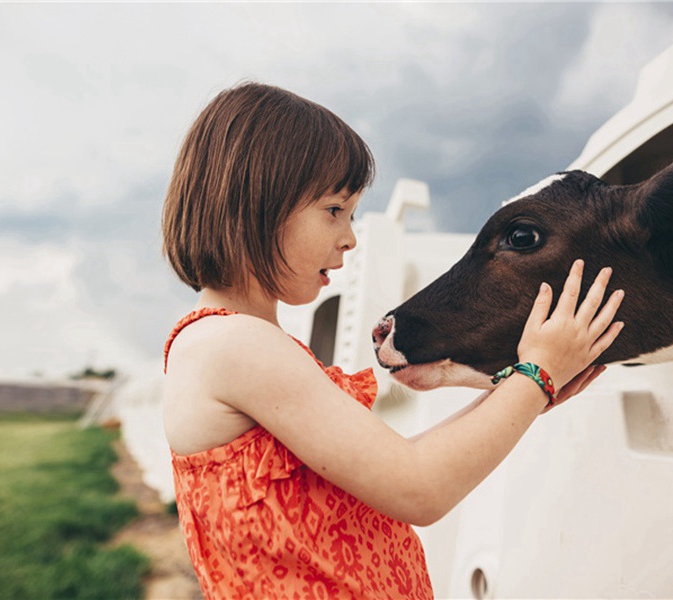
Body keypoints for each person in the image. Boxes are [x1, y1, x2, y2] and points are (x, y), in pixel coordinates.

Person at [161, 82, 625, 599]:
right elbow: (417, 487)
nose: (350, 237)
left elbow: (391, 464)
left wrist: (521, 395)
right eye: (335, 210)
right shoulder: (235, 345)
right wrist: (536, 375)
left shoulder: (241, 343)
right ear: (257, 203)